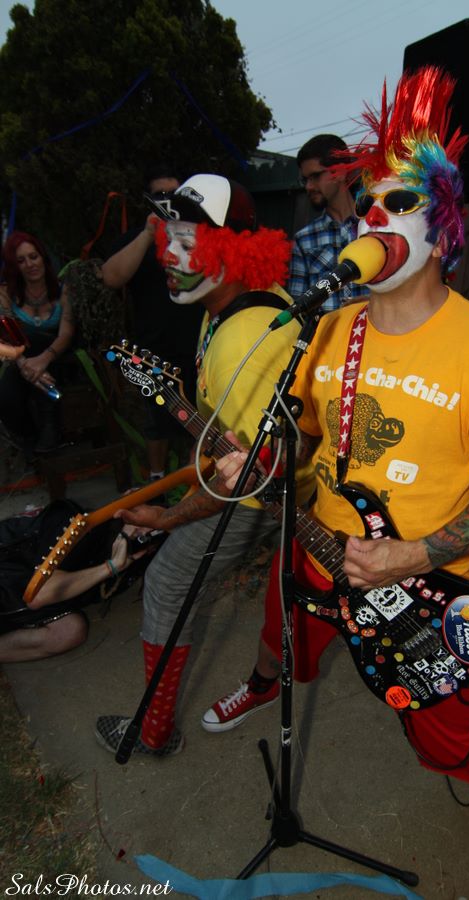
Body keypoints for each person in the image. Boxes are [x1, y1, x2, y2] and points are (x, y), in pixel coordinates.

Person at [207, 68, 469, 900]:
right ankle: (263, 683)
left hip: (423, 591)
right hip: (318, 550)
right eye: (366, 204)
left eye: (398, 202)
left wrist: (415, 554)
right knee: (281, 626)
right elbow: (303, 436)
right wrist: (259, 461)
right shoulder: (330, 330)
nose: (374, 218)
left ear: (444, 224)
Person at [94, 174, 314, 757]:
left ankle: (154, 730)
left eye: (187, 243)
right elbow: (229, 444)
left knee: (167, 581)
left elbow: (248, 477)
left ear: (235, 252)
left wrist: (168, 519)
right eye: (168, 239)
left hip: (263, 495)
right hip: (252, 474)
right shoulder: (234, 303)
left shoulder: (244, 340)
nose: (168, 256)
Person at [102, 165, 204, 481]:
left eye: (175, 194)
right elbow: (111, 277)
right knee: (157, 420)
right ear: (148, 199)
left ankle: (195, 480)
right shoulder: (138, 238)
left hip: (198, 344)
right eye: (161, 194)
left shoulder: (197, 234)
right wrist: (149, 234)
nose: (168, 200)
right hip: (155, 347)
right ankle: (157, 480)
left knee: (200, 417)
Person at [0, 507, 155, 663]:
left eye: (153, 531)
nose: (143, 532)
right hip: (16, 587)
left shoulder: (134, 551)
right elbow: (38, 595)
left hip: (21, 601)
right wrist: (111, 567)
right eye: (141, 525)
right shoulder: (71, 523)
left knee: (69, 631)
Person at [0, 232, 75, 456]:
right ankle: (30, 439)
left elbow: (66, 334)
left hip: (59, 359)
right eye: (21, 261)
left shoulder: (64, 289)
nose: (30, 264)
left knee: (35, 339)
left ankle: (50, 427)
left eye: (33, 257)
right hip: (22, 363)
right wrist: (25, 365)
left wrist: (43, 360)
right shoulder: (5, 294)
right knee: (6, 397)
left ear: (43, 257)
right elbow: (6, 335)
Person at [288, 133, 369, 311]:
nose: (308, 186)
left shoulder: (377, 225)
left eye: (315, 176)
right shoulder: (303, 240)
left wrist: (373, 303)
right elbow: (298, 312)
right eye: (305, 179)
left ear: (340, 172)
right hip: (326, 330)